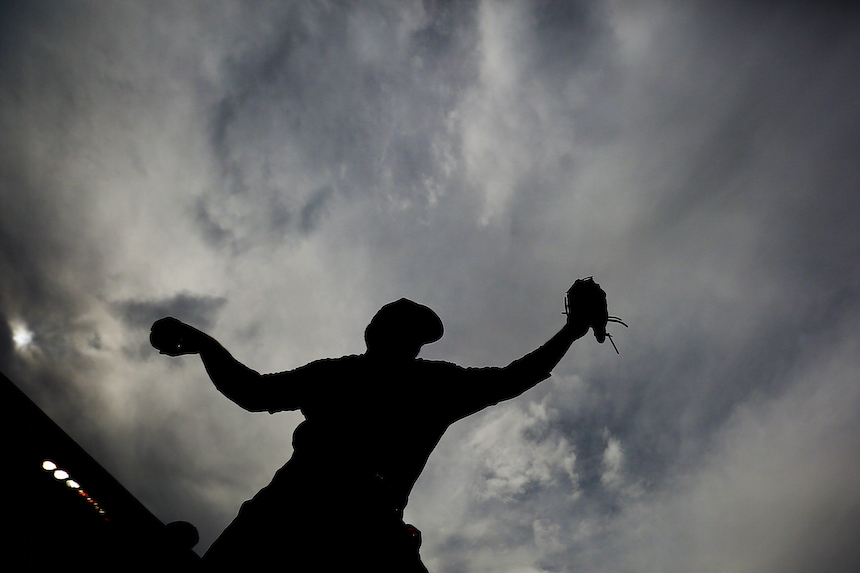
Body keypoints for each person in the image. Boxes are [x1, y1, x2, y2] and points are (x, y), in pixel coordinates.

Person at [150, 278, 611, 571]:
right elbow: (252, 392)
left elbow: (513, 378)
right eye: (407, 331)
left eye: (416, 336)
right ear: (379, 333)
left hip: (351, 524)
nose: (411, 343)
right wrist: (203, 344)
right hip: (304, 514)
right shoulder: (354, 374)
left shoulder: (423, 381)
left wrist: (570, 331)